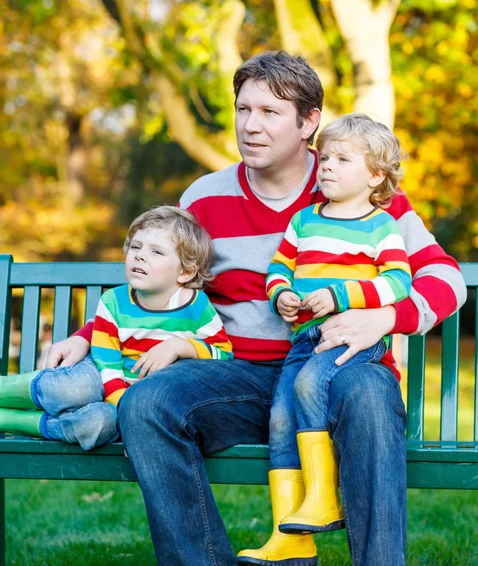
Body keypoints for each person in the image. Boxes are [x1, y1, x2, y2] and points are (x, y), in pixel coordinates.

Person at [39, 51, 466, 566]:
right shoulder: (204, 198)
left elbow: (444, 275)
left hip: (341, 368)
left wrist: (386, 317)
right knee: (146, 403)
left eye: (270, 112)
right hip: (236, 377)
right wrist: (88, 334)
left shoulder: (355, 185)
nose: (251, 126)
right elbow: (162, 283)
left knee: (372, 398)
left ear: (309, 122)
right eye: (244, 110)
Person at [248, 114, 412, 548]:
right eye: (326, 158)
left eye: (343, 159)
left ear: (375, 175)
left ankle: (323, 499)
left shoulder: (382, 226)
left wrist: (342, 295)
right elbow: (279, 267)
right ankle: (288, 535)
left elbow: (399, 282)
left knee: (306, 384)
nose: (328, 167)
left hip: (350, 338)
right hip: (304, 338)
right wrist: (280, 293)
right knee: (280, 416)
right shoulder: (304, 221)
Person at [0, 207, 233, 449]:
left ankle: (7, 420)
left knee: (96, 426)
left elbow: (223, 356)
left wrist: (180, 346)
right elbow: (106, 364)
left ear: (185, 271)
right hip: (106, 380)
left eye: (157, 252)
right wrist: (126, 406)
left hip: (141, 407)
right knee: (74, 387)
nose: (140, 255)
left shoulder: (196, 307)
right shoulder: (114, 302)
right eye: (136, 247)